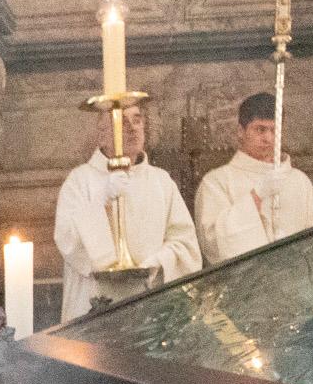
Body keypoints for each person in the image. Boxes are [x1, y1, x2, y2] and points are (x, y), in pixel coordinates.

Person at [49, 106, 202, 322]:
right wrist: (100, 203)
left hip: (150, 305)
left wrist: (155, 263)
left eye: (137, 120)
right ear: (102, 136)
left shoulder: (161, 181)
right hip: (94, 308)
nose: (132, 129)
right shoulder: (79, 181)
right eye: (122, 122)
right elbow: (67, 240)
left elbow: (185, 244)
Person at [192, 91, 313, 264]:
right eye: (260, 129)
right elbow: (212, 243)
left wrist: (295, 251)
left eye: (275, 130)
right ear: (240, 131)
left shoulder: (299, 181)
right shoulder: (216, 182)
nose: (268, 138)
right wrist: (255, 197)